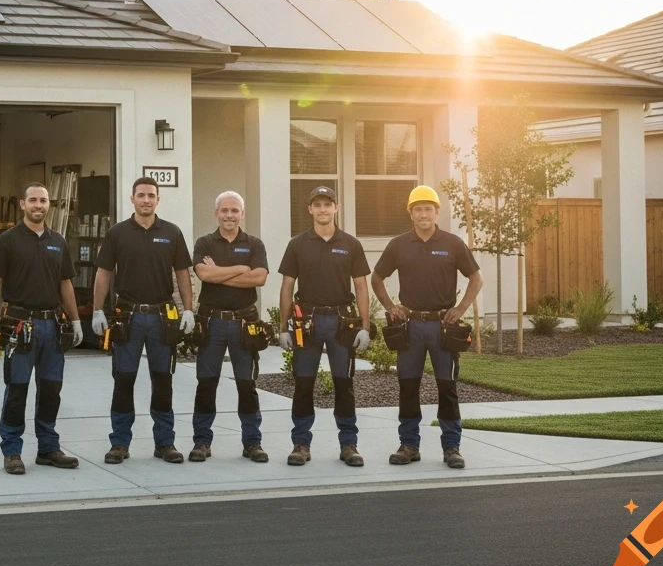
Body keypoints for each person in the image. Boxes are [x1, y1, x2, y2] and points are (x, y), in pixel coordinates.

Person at [370, 185, 483, 470]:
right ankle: (409, 445)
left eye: (428, 209)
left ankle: (452, 446)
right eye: (417, 209)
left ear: (437, 212)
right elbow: (377, 278)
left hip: (442, 328)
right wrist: (390, 307)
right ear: (411, 213)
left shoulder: (453, 243)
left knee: (447, 388)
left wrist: (460, 309)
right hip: (410, 329)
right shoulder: (399, 244)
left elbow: (476, 278)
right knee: (408, 387)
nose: (423, 214)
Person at [92, 177, 194, 464]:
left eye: (151, 195)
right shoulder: (117, 233)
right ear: (132, 198)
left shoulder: (172, 233)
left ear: (158, 199)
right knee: (123, 380)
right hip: (128, 317)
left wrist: (188, 309)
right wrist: (98, 309)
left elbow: (183, 272)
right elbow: (103, 272)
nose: (146, 199)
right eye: (141, 195)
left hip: (162, 317)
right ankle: (119, 444)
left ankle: (165, 443)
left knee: (163, 381)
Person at [0, 182, 84, 475]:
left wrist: (75, 320)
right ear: (23, 204)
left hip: (53, 326)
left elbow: (66, 283)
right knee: (17, 389)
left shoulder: (58, 241)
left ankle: (48, 448)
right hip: (20, 325)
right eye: (34, 200)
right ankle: (12, 451)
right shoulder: (8, 240)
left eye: (43, 201)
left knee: (51, 389)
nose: (39, 205)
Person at [277, 186, 371, 467]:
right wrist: (282, 327)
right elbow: (287, 285)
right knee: (304, 384)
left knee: (344, 385)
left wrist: (365, 327)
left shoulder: (351, 244)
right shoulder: (297, 244)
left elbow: (361, 286)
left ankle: (348, 445)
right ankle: (301, 443)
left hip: (342, 322)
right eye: (317, 204)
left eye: (327, 204)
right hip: (307, 322)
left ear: (336, 208)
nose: (322, 209)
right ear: (310, 210)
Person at [190, 191, 270, 463]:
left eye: (235, 210)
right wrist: (240, 268)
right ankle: (201, 441)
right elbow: (203, 274)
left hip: (243, 324)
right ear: (216, 213)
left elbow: (259, 278)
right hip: (210, 324)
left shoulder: (254, 244)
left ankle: (252, 443)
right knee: (206, 384)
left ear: (242, 214)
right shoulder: (204, 242)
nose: (229, 215)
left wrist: (219, 274)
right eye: (224, 210)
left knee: (246, 385)